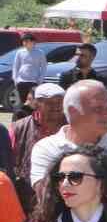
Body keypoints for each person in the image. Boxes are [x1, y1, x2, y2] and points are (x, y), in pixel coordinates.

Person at [31, 81, 107, 206]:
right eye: (98, 109)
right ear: (73, 111)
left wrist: (75, 185)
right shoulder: (47, 148)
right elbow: (47, 197)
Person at [10, 81, 65, 214]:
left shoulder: (72, 127)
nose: (56, 107)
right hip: (27, 198)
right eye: (50, 103)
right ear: (36, 104)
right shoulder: (19, 127)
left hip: (63, 197)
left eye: (59, 102)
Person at [11, 31, 47, 115]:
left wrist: (40, 80)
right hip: (21, 81)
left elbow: (44, 67)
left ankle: (33, 117)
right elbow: (15, 66)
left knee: (32, 102)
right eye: (24, 41)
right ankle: (23, 118)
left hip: (34, 81)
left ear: (33, 41)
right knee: (23, 102)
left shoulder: (40, 53)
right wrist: (15, 79)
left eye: (27, 41)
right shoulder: (20, 52)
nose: (25, 43)